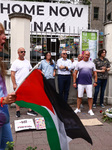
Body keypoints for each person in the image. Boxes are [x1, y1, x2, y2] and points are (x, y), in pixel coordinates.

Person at [0, 23, 16, 149]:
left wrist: (7, 98)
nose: (4, 37)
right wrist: (2, 100)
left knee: (8, 146)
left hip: (3, 114)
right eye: (0, 33)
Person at [11, 47, 37, 117]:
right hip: (18, 83)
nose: (23, 53)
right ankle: (18, 111)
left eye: (24, 52)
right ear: (18, 53)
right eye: (22, 52)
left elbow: (30, 72)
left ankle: (30, 110)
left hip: (27, 84)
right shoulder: (15, 63)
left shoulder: (27, 62)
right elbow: (12, 74)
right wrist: (14, 84)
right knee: (17, 97)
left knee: (29, 97)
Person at [73, 51, 97, 116]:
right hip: (80, 83)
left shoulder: (92, 64)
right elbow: (75, 73)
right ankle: (78, 108)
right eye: (86, 54)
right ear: (83, 55)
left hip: (89, 83)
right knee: (79, 96)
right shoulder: (79, 63)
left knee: (90, 97)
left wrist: (95, 81)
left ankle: (90, 110)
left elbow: (95, 73)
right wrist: (74, 82)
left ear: (89, 56)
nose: (87, 56)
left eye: (88, 55)